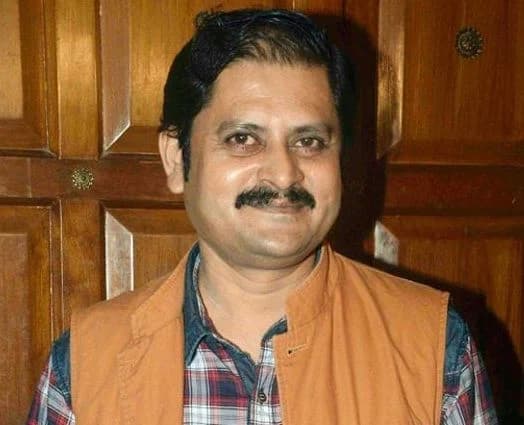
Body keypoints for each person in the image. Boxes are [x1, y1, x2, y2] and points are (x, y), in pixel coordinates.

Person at [27, 9, 497, 425]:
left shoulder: (433, 348)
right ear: (176, 158)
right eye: (243, 139)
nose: (283, 172)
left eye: (309, 141)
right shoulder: (86, 364)